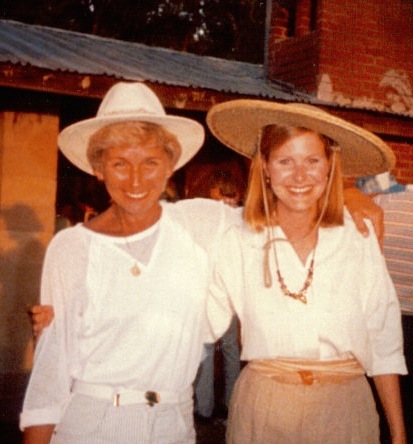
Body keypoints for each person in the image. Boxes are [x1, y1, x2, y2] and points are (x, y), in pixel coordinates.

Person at [23, 82, 385, 444]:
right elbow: (50, 372)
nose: (136, 179)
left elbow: (283, 206)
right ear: (98, 168)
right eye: (119, 163)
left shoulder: (201, 223)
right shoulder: (69, 248)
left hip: (173, 425)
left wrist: (348, 193)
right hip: (90, 424)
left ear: (170, 166)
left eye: (150, 162)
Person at [205, 99, 407, 443]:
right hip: (264, 408)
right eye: (285, 161)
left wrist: (399, 436)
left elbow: (384, 340)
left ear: (330, 168)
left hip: (344, 410)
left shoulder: (357, 235)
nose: (300, 176)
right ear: (265, 167)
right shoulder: (235, 236)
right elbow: (201, 324)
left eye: (312, 161)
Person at [356, 172, 413, 442]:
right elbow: (340, 192)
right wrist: (349, 194)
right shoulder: (389, 184)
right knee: (380, 394)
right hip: (381, 315)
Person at [194, 170, 242, 423]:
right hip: (232, 294)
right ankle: (230, 405)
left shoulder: (210, 216)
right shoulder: (241, 216)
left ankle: (203, 408)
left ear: (217, 189)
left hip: (209, 292)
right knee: (231, 351)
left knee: (206, 349)